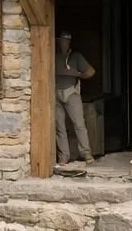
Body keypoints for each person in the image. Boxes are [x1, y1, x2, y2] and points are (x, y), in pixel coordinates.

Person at [55, 32, 96, 165]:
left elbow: (91, 71)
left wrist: (77, 74)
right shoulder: (52, 55)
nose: (63, 43)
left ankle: (86, 154)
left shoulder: (75, 56)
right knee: (59, 126)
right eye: (60, 40)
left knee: (79, 124)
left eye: (65, 41)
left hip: (71, 92)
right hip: (55, 93)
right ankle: (64, 156)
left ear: (69, 42)